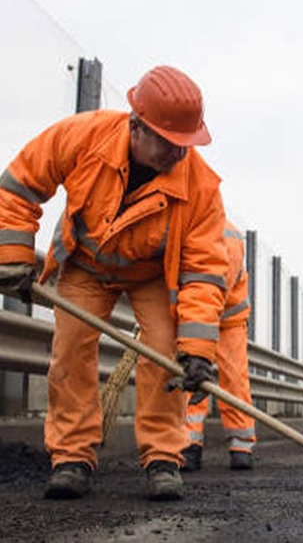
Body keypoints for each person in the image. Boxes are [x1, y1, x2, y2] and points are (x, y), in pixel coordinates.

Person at [0, 65, 228, 501]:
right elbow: (18, 187)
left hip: (152, 275)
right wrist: (11, 258)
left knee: (164, 353)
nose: (178, 154)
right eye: (167, 142)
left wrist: (196, 351)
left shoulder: (200, 187)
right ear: (136, 125)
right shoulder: (83, 137)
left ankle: (163, 459)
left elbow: (203, 272)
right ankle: (72, 458)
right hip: (87, 266)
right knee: (71, 350)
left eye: (185, 144)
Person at [181, 219, 257, 472]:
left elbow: (216, 285)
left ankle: (241, 444)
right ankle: (188, 444)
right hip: (195, 314)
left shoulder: (228, 235)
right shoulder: (184, 226)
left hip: (228, 319)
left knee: (235, 379)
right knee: (190, 377)